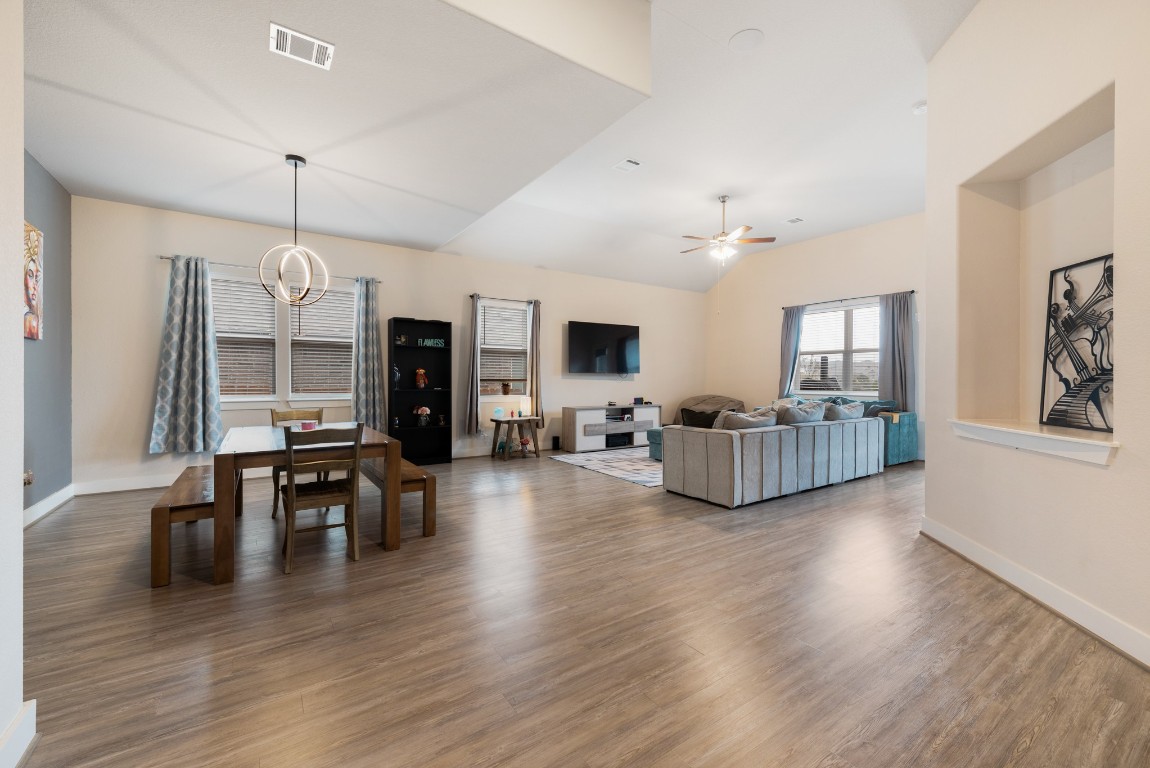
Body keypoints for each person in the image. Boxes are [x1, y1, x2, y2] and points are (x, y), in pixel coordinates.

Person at [24, 228, 43, 340]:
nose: (35, 286)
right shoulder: (31, 321)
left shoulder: (34, 320)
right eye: (30, 275)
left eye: (36, 278)